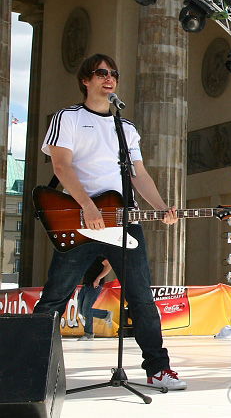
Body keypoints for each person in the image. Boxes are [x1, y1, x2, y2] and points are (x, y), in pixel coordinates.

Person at [33, 53, 187, 390]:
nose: (109, 78)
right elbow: (61, 166)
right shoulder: (68, 118)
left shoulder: (125, 128)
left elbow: (138, 174)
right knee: (55, 296)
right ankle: (31, 369)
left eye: (113, 73)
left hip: (124, 221)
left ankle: (158, 369)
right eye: (101, 73)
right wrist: (87, 205)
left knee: (142, 298)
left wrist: (162, 207)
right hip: (81, 221)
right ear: (85, 80)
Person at [76, 256, 114, 341]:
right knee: (82, 311)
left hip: (94, 285)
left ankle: (88, 333)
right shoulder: (87, 256)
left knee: (86, 310)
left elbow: (108, 266)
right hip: (85, 284)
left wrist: (98, 278)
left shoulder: (99, 255)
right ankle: (105, 314)